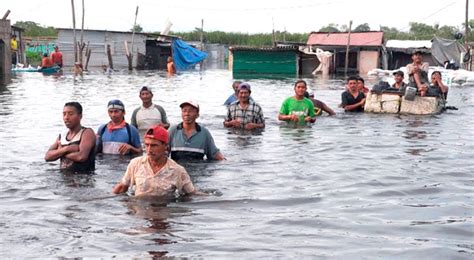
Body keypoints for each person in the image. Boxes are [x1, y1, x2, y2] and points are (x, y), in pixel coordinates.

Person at [112, 125, 199, 197]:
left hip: (164, 211)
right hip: (140, 213)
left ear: (165, 146)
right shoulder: (135, 164)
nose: (149, 150)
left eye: (154, 145)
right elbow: (122, 187)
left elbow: (192, 194)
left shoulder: (177, 171)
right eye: (147, 145)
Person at [44, 102, 96, 172]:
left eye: (70, 114)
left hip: (82, 178)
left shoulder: (87, 133)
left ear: (80, 116)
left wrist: (59, 152)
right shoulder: (62, 135)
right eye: (64, 114)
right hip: (63, 178)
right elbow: (47, 157)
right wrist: (66, 149)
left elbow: (81, 157)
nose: (66, 117)